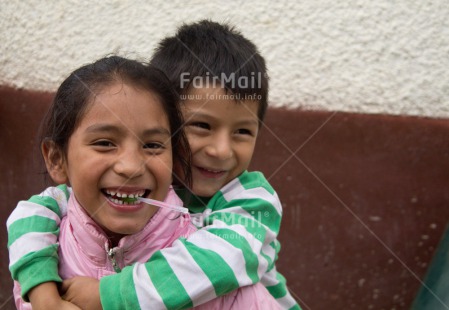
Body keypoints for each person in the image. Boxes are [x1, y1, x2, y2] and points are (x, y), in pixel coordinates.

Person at [8, 20, 300, 310]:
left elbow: (218, 263)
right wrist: (43, 293)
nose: (221, 150)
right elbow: (33, 214)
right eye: (201, 125)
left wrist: (108, 295)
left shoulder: (251, 200)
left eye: (243, 132)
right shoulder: (150, 181)